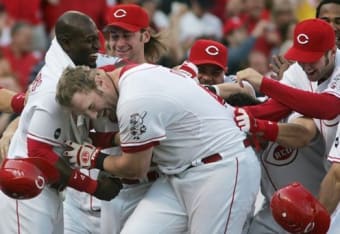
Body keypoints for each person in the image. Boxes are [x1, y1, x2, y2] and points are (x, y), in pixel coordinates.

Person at [56, 63, 261, 233]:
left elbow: (135, 168)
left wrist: (92, 158)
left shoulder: (133, 98)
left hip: (221, 168)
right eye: (86, 113)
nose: (93, 116)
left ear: (100, 82)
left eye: (91, 106)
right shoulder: (134, 75)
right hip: (180, 174)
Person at [0, 11, 122, 234]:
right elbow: (39, 153)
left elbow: (71, 136)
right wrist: (94, 187)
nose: (97, 45)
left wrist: (111, 138)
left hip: (49, 188)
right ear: (67, 42)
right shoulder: (54, 89)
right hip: (27, 189)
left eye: (96, 37)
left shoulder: (70, 72)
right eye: (89, 40)